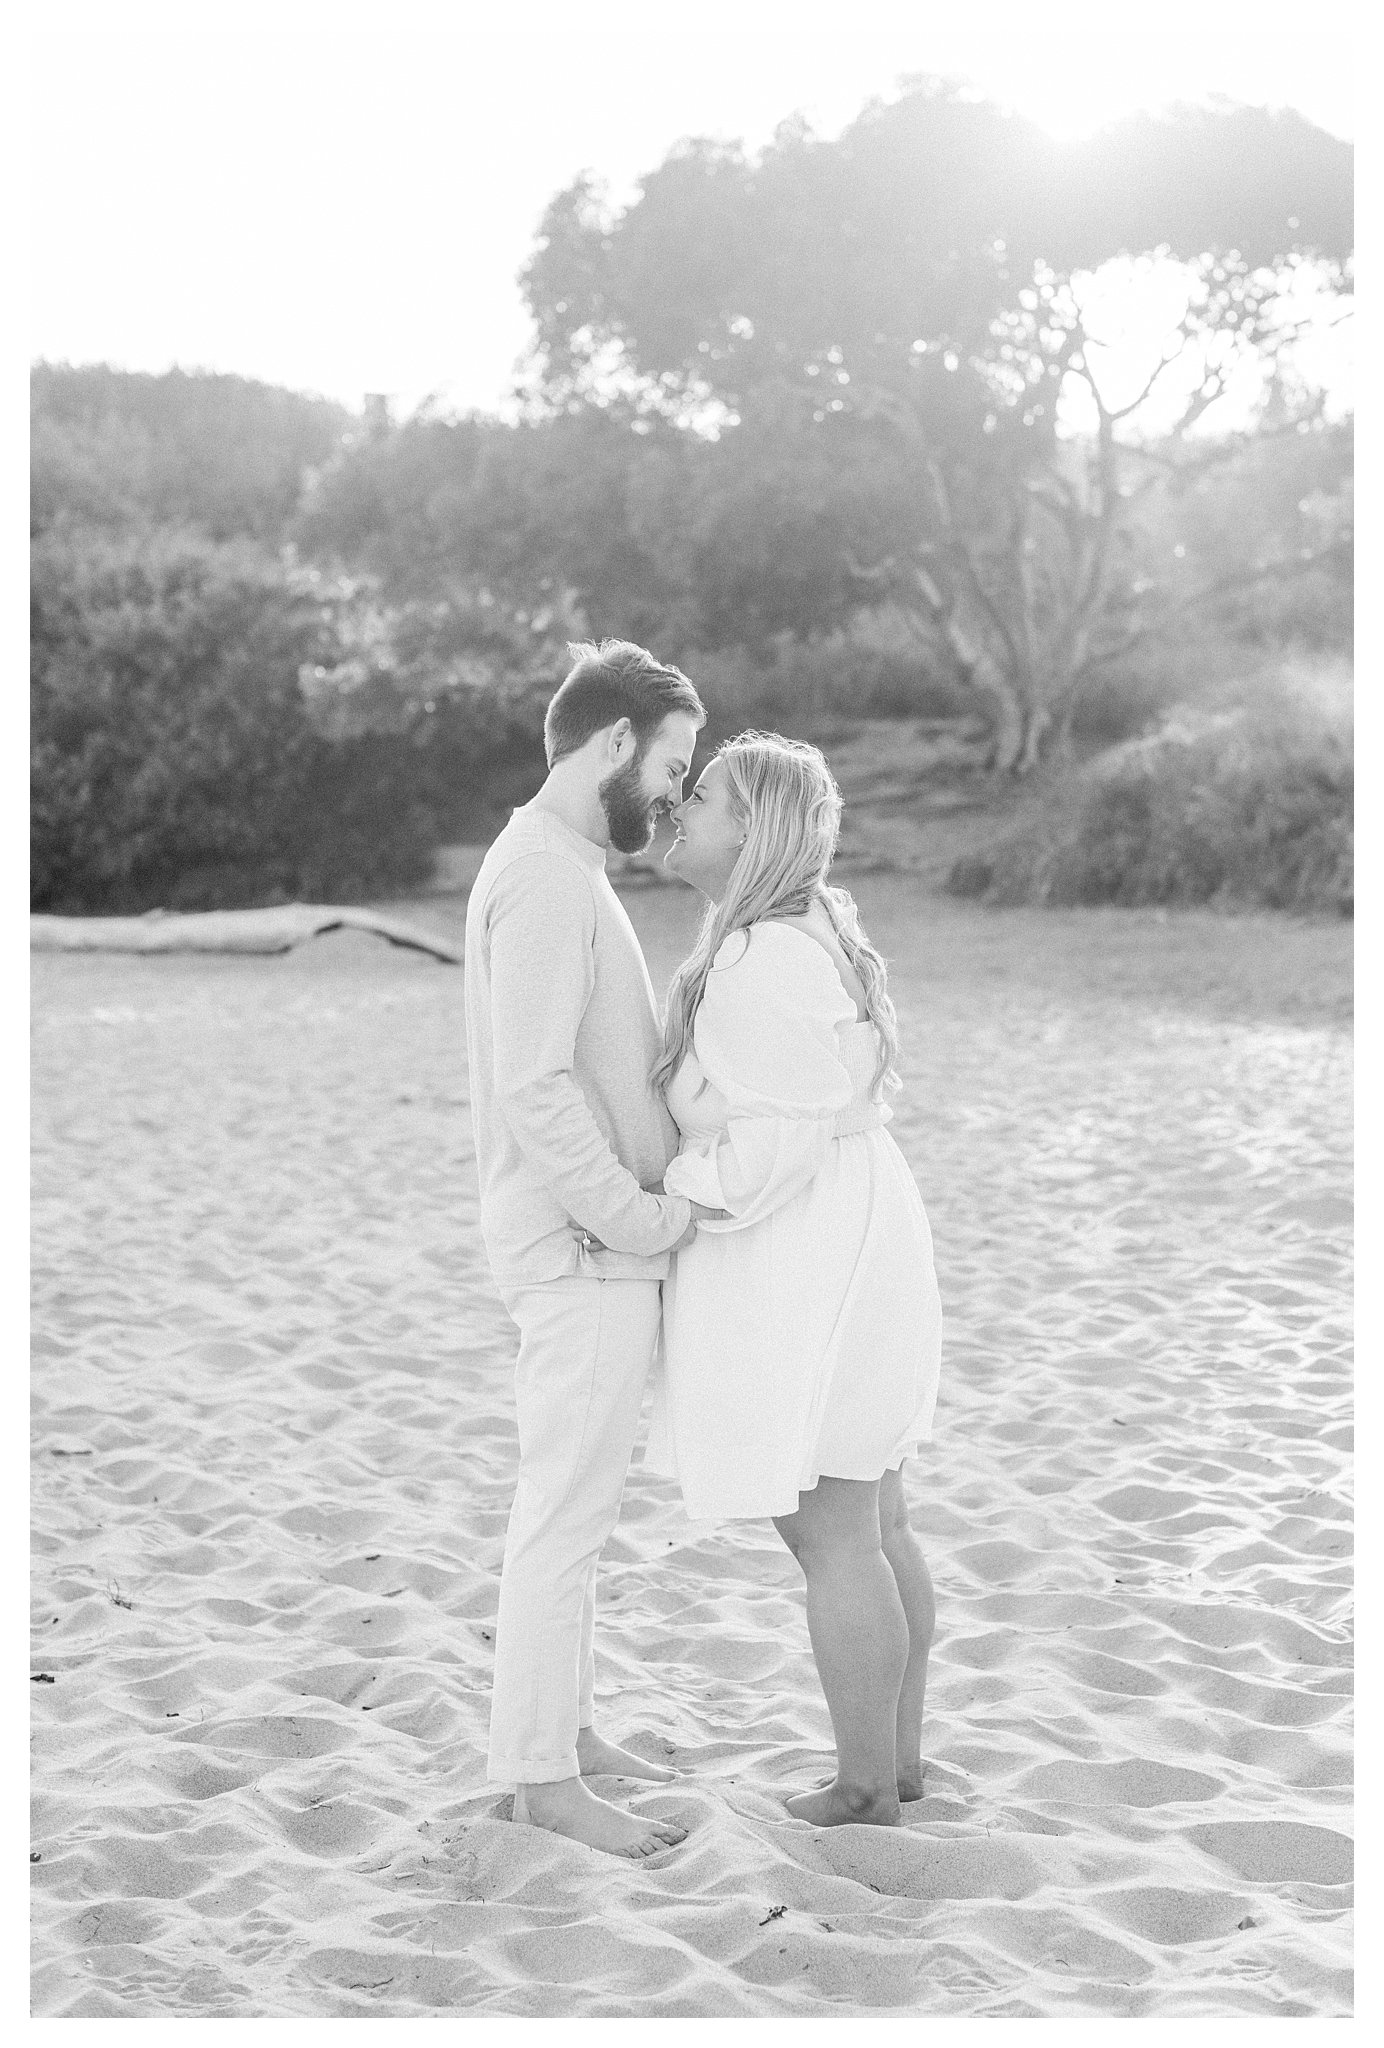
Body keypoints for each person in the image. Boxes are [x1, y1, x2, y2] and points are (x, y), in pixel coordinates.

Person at [646, 731, 943, 1829]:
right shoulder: (811, 927)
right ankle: (898, 1761)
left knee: (832, 1529)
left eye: (705, 793)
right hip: (863, 1219)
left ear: (752, 828)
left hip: (813, 1244)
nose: (681, 802)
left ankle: (865, 1784)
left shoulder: (758, 959)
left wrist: (670, 1185)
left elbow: (767, 1153)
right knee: (874, 1517)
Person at [463, 638, 714, 1859]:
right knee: (561, 1519)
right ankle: (540, 1779)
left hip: (588, 1246)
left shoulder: (557, 863)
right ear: (613, 740)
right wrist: (640, 1216)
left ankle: (562, 1738)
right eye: (670, 763)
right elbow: (535, 1086)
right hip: (580, 1249)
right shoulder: (550, 879)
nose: (673, 794)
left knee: (577, 1515)